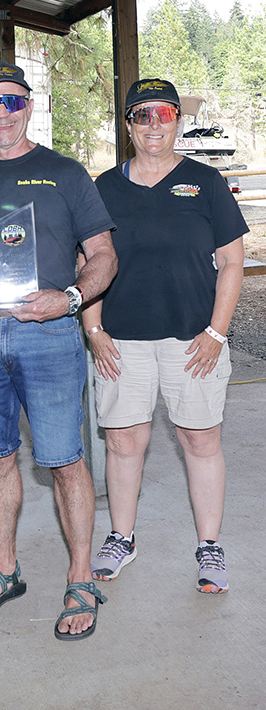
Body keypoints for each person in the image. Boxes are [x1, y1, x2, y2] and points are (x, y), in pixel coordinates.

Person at [0, 62, 117, 640]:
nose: (3, 114)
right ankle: (6, 571)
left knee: (65, 459)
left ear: (29, 105)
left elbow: (104, 256)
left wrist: (67, 300)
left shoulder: (65, 173)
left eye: (12, 101)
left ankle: (81, 575)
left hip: (49, 334)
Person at [85, 78, 248, 594]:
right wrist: (93, 328)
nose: (154, 125)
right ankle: (121, 537)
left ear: (178, 119)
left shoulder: (207, 181)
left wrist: (217, 334)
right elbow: (88, 262)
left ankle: (209, 545)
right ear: (128, 124)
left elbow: (232, 262)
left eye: (164, 114)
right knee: (123, 440)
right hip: (121, 340)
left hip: (192, 341)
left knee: (200, 439)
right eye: (142, 115)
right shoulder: (104, 188)